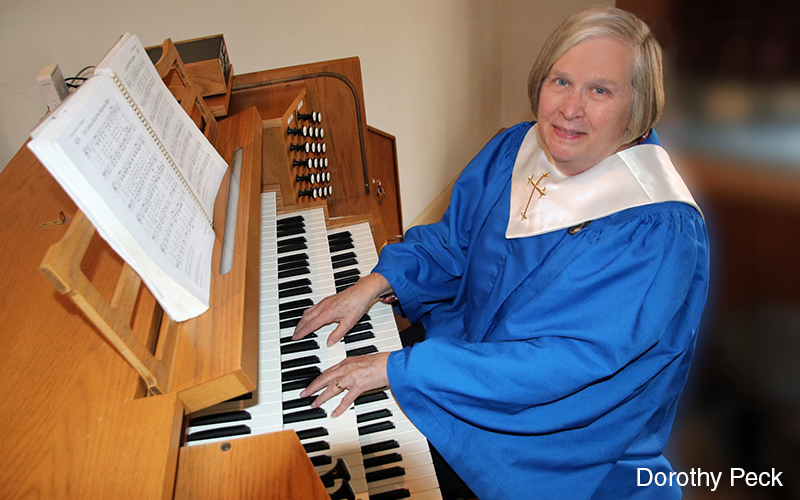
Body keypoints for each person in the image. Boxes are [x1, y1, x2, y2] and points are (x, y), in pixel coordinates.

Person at [293, 6, 709, 500]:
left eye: (600, 90)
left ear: (637, 109)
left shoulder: (655, 231)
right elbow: (453, 243)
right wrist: (372, 286)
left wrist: (400, 369)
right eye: (560, 81)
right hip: (458, 367)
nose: (569, 108)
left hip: (540, 446)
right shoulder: (517, 148)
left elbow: (564, 363)